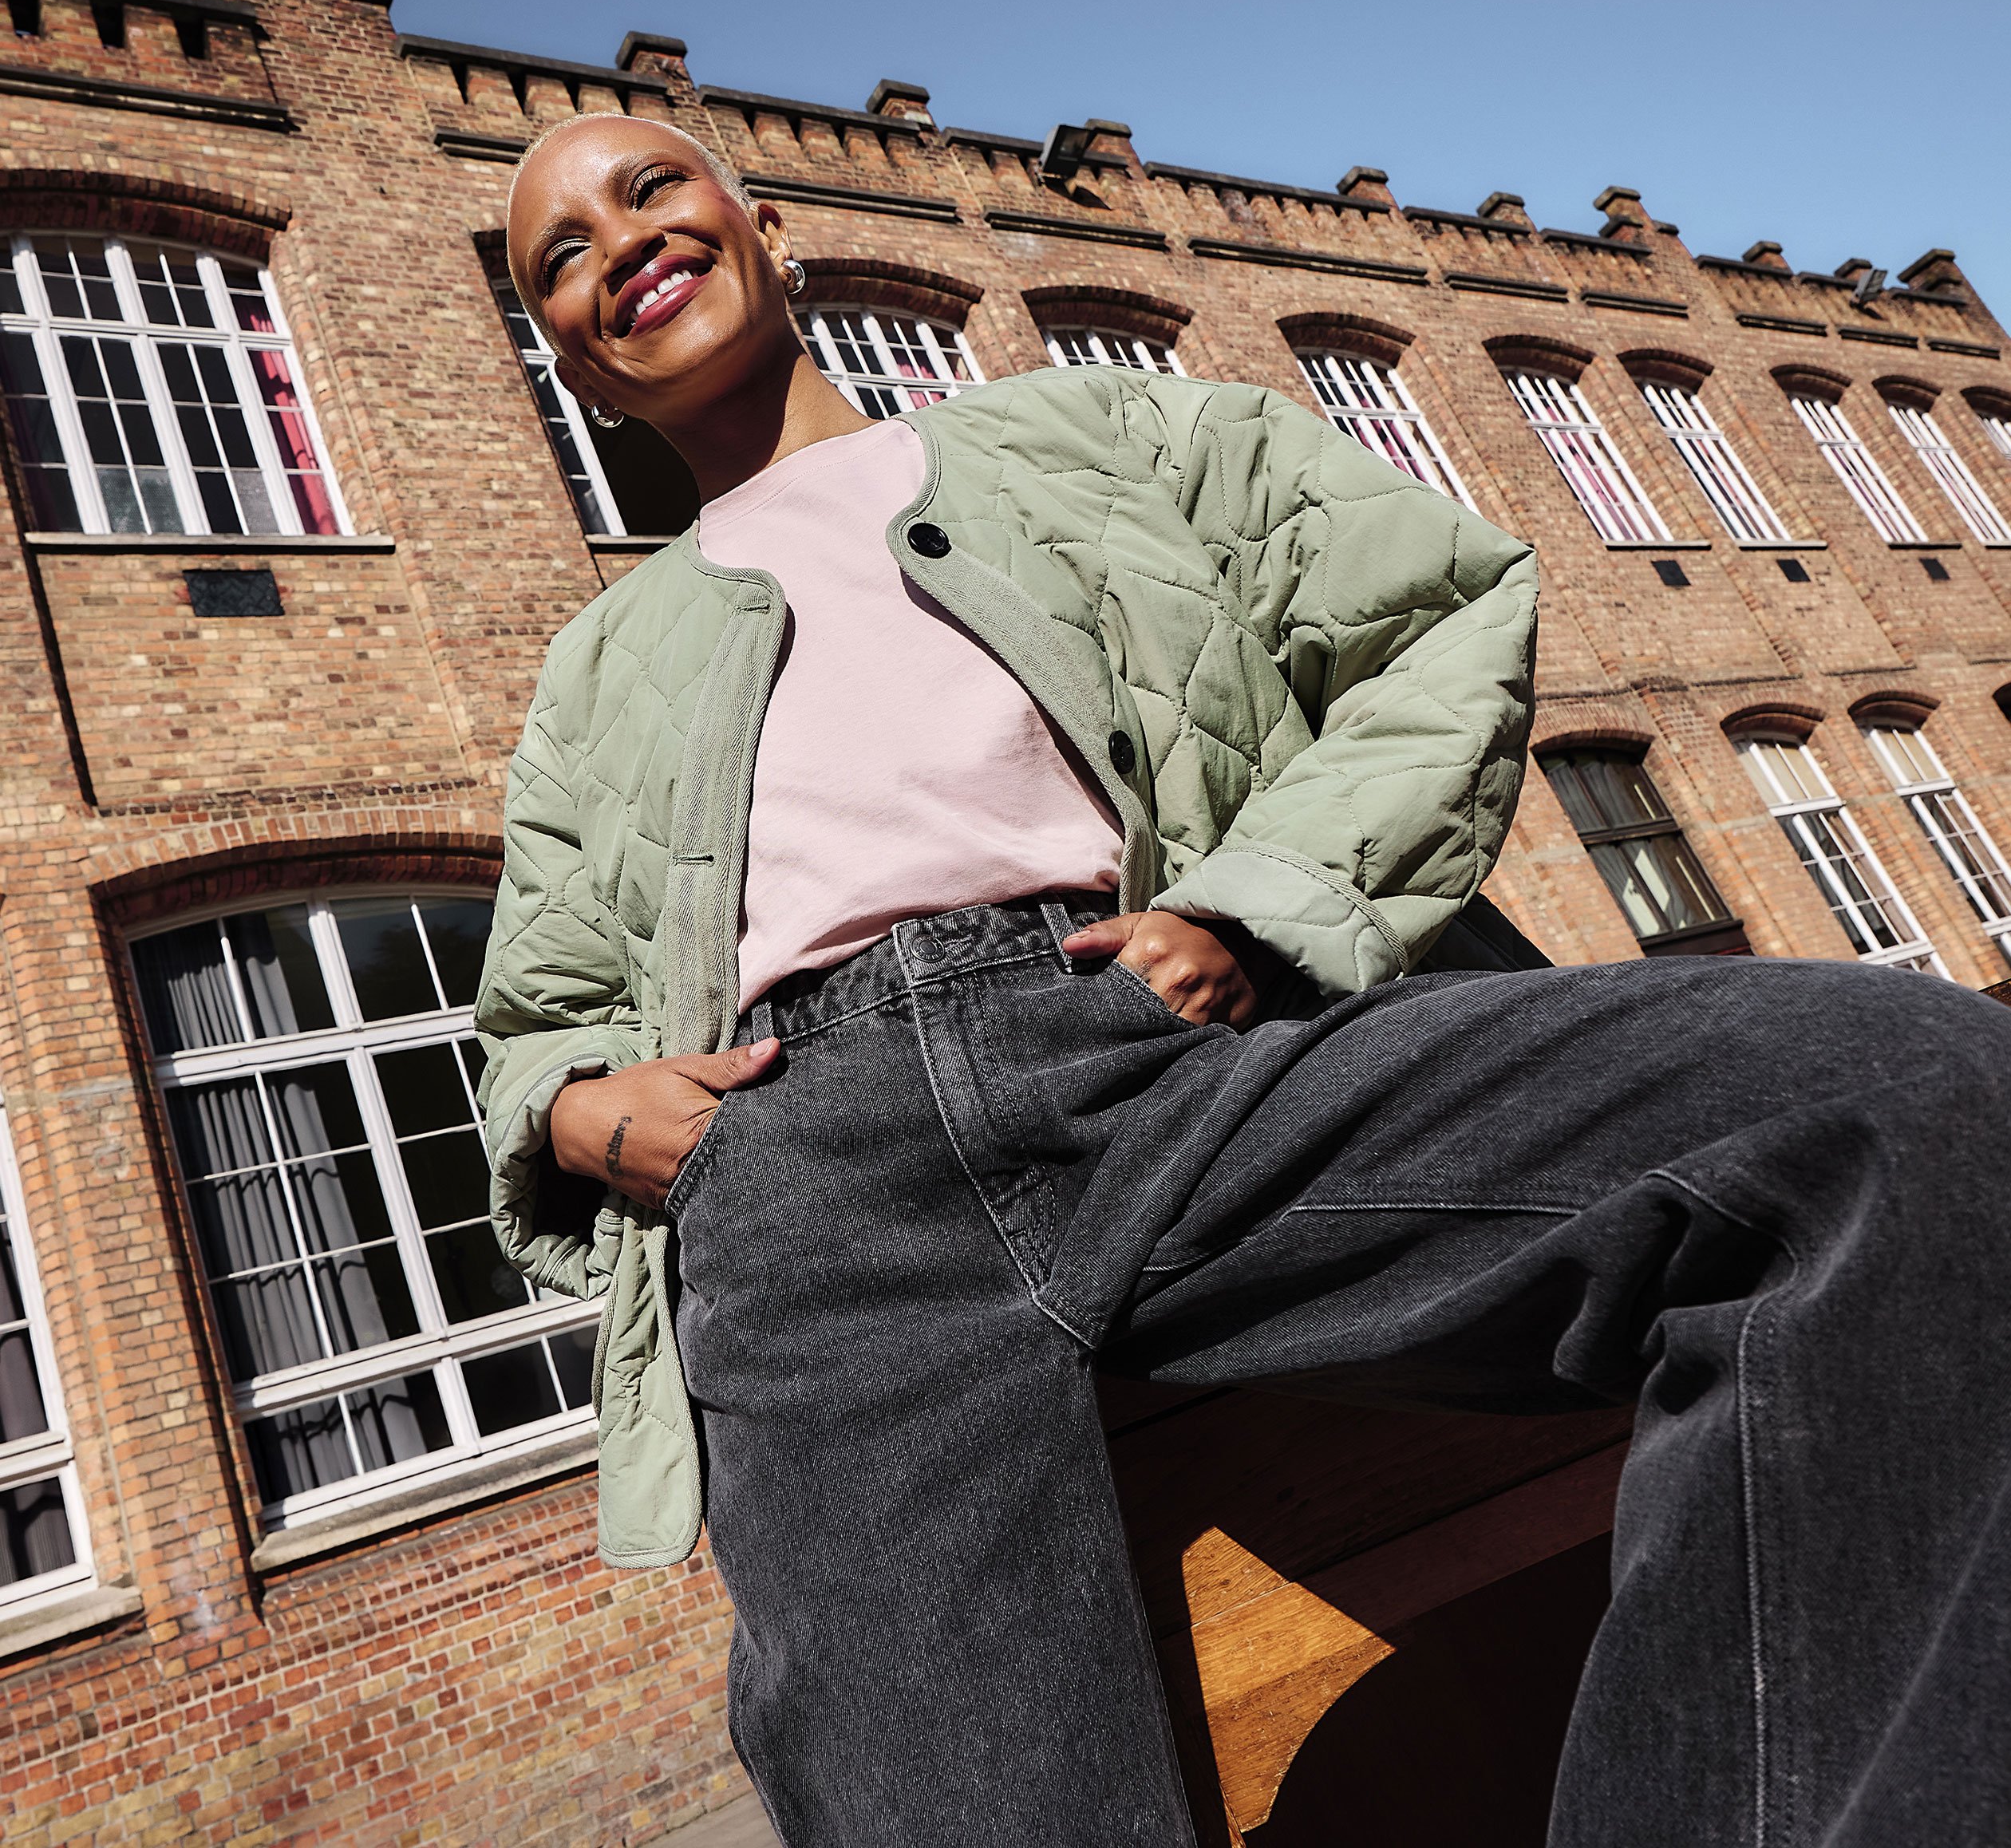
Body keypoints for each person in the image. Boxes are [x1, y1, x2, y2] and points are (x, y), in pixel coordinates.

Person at [477, 112, 2011, 1848]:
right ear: (572, 365)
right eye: (561, 257)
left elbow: (1439, 618)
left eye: (651, 188)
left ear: (766, 223)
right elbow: (541, 1008)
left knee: (1903, 1100)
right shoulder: (594, 668)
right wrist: (581, 1113)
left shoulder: (1109, 431)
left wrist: (1257, 908)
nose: (620, 243)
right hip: (812, 1188)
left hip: (1177, 1055)